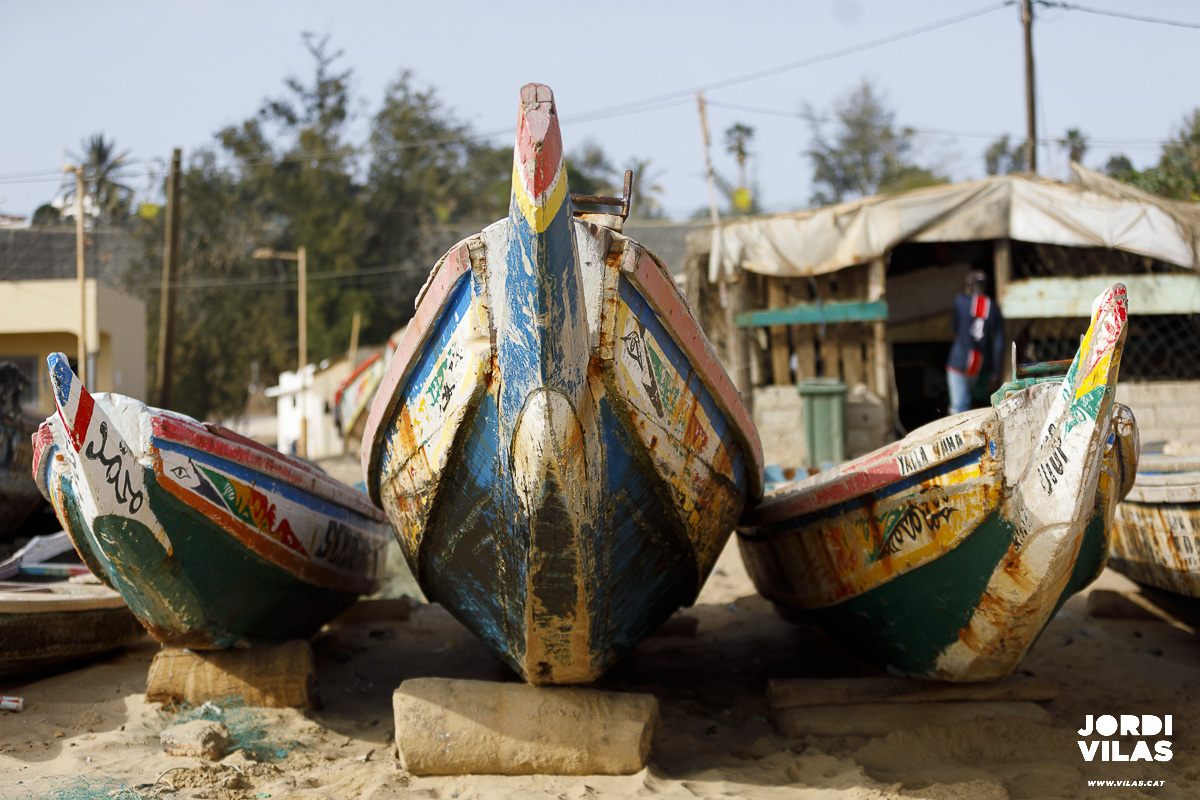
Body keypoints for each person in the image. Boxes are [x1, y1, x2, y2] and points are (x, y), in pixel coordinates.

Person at [946, 270, 1004, 416]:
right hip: (978, 364)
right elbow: (998, 344)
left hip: (959, 360)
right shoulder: (994, 308)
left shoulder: (961, 301)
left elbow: (954, 328)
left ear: (969, 286)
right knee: (970, 402)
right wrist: (995, 374)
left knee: (959, 407)